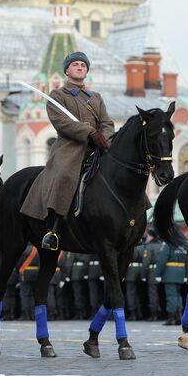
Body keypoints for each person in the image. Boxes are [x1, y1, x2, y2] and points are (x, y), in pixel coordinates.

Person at [19, 52, 115, 250]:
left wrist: (104, 137)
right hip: (70, 148)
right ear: (67, 70)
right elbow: (62, 123)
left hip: (98, 148)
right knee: (64, 174)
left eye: (83, 65)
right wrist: (89, 132)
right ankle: (53, 229)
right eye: (75, 65)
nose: (80, 67)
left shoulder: (95, 97)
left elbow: (106, 122)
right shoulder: (58, 96)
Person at [155, 239, 188, 325]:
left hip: (170, 273)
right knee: (178, 295)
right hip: (181, 272)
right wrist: (187, 274)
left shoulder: (169, 244)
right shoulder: (185, 245)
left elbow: (162, 260)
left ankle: (171, 318)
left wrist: (157, 273)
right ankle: (178, 316)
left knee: (171, 295)